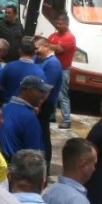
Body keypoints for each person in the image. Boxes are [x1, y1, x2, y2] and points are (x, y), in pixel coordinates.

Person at [0, 76, 49, 160]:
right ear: (28, 91)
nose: (44, 95)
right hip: (21, 169)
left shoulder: (5, 108)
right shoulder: (29, 119)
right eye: (40, 91)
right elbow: (35, 157)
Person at [33, 37, 65, 166]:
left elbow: (47, 89)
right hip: (36, 102)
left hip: (44, 104)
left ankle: (45, 165)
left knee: (43, 134)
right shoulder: (38, 59)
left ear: (46, 46)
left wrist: (38, 105)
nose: (35, 52)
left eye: (37, 48)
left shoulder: (53, 64)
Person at [47, 15, 77, 129]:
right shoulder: (54, 36)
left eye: (60, 24)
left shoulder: (69, 37)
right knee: (51, 92)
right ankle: (52, 115)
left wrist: (47, 45)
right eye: (57, 23)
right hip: (53, 69)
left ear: (66, 24)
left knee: (62, 95)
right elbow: (48, 44)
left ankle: (67, 119)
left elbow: (60, 49)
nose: (57, 25)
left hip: (63, 70)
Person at [0, 36, 39, 103]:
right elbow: (43, 92)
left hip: (9, 105)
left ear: (19, 51)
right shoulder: (39, 71)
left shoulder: (9, 66)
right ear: (34, 52)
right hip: (27, 108)